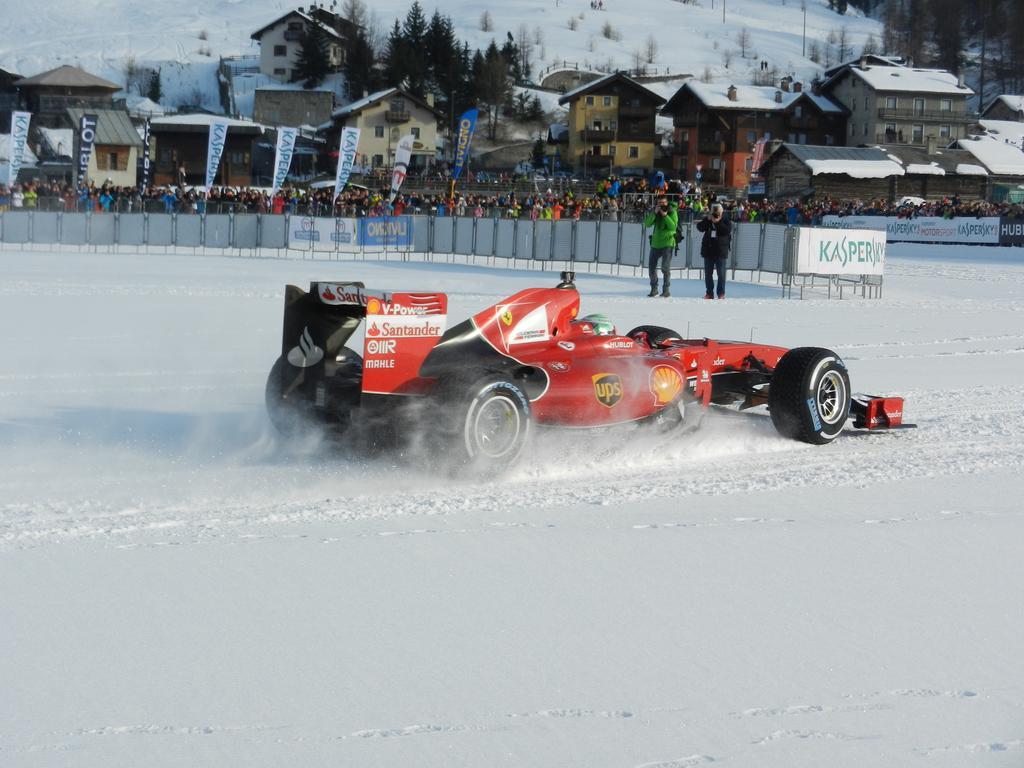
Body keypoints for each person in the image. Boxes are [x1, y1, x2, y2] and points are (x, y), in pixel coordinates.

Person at [643, 197, 679, 297]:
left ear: (667, 203)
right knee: (651, 268)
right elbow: (647, 224)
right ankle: (654, 289)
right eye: (659, 203)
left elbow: (673, 227)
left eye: (663, 203)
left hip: (668, 243)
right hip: (655, 244)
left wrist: (665, 215)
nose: (662, 205)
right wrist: (654, 213)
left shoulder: (672, 212)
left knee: (665, 268)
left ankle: (666, 289)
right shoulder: (655, 212)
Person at [696, 202, 732, 299]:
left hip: (720, 251)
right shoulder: (708, 219)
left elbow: (726, 231)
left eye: (718, 212)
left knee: (721, 274)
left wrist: (718, 221)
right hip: (708, 250)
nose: (716, 214)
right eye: (715, 212)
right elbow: (699, 227)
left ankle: (721, 293)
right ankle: (709, 293)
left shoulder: (725, 220)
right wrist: (707, 220)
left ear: (721, 212)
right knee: (708, 274)